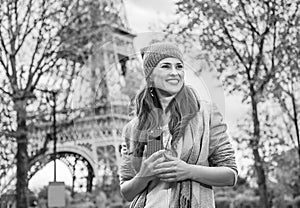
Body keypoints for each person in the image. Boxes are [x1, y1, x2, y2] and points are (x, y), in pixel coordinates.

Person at [119, 42, 238, 208]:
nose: (174, 72)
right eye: (166, 66)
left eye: (179, 66)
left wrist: (189, 170)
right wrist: (144, 176)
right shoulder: (134, 127)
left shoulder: (205, 113)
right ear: (150, 76)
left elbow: (230, 175)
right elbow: (126, 191)